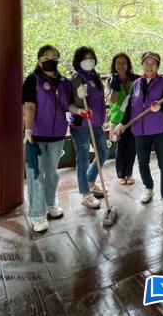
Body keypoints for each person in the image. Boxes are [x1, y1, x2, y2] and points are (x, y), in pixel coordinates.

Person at [22, 45, 83, 232]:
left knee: (52, 173)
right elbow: (29, 107)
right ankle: (37, 214)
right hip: (36, 135)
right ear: (39, 59)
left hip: (57, 135)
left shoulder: (64, 82)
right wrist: (28, 130)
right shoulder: (32, 80)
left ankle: (50, 204)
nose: (51, 59)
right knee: (36, 174)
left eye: (55, 56)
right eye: (47, 56)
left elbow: (67, 105)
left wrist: (80, 110)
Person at [114, 52, 163, 214]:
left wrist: (160, 107)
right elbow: (130, 106)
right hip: (140, 130)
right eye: (146, 63)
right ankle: (148, 187)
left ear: (158, 66)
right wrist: (122, 123)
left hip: (159, 129)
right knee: (142, 162)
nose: (149, 66)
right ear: (142, 65)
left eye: (153, 63)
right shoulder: (136, 84)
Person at [69, 47, 108, 209]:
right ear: (78, 61)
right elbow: (74, 103)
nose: (89, 61)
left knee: (103, 152)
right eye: (85, 58)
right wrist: (80, 97)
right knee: (83, 158)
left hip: (96, 123)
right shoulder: (77, 77)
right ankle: (85, 194)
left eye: (91, 58)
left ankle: (90, 180)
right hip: (82, 125)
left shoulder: (94, 76)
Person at [106, 52, 138, 185]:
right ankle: (121, 175)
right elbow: (112, 100)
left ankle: (129, 174)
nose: (121, 65)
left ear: (128, 65)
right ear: (114, 65)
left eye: (124, 62)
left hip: (132, 118)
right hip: (118, 118)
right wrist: (115, 87)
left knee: (132, 147)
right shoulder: (110, 80)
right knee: (120, 148)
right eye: (118, 62)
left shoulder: (135, 79)